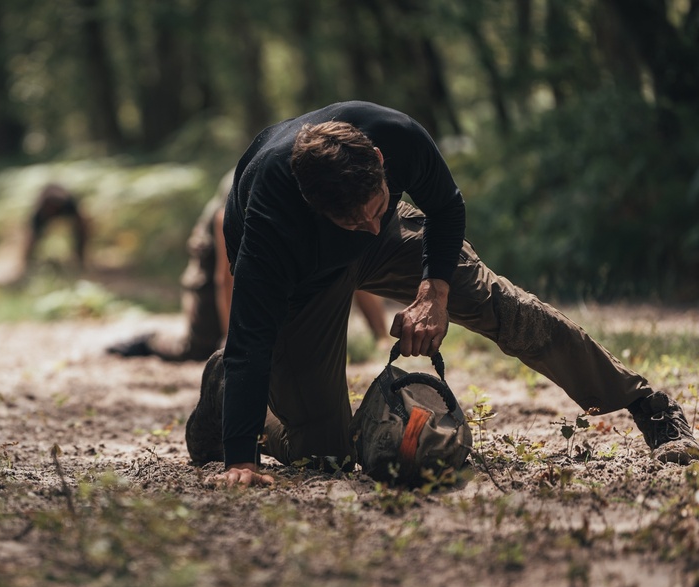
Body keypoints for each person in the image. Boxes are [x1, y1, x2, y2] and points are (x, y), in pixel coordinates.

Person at [184, 100, 699, 488]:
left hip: (391, 244)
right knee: (325, 454)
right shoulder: (270, 221)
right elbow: (252, 334)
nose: (366, 223)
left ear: (381, 163)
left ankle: (644, 403)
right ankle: (227, 391)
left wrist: (434, 290)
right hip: (303, 275)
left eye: (377, 203)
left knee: (502, 305)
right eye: (350, 219)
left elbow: (446, 208)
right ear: (312, 204)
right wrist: (239, 462)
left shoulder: (398, 137)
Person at [107, 171, 390, 362]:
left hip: (272, 240)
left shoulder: (329, 191)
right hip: (216, 248)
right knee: (201, 346)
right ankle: (151, 340)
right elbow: (226, 275)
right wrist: (234, 343)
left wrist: (380, 338)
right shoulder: (258, 188)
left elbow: (351, 262)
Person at [22, 183, 90, 274]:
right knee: (32, 239)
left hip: (63, 207)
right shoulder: (39, 212)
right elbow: (31, 235)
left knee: (81, 233)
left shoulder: (68, 205)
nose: (52, 210)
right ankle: (28, 265)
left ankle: (81, 261)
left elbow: (81, 226)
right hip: (42, 213)